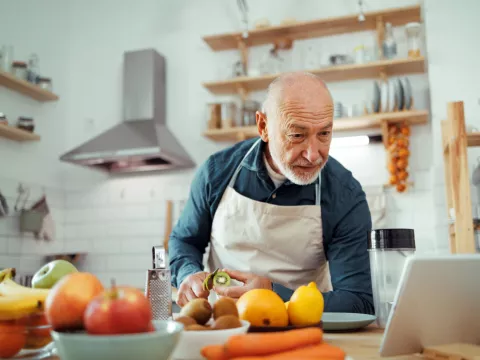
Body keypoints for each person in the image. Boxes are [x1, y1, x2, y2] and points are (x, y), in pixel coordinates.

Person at [169, 71, 374, 314]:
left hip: (302, 330)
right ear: (263, 126)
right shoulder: (217, 172)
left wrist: (273, 294)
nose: (313, 154)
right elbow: (184, 241)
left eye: (324, 134)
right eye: (297, 135)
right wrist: (189, 274)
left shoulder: (344, 195)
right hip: (222, 323)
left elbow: (357, 301)